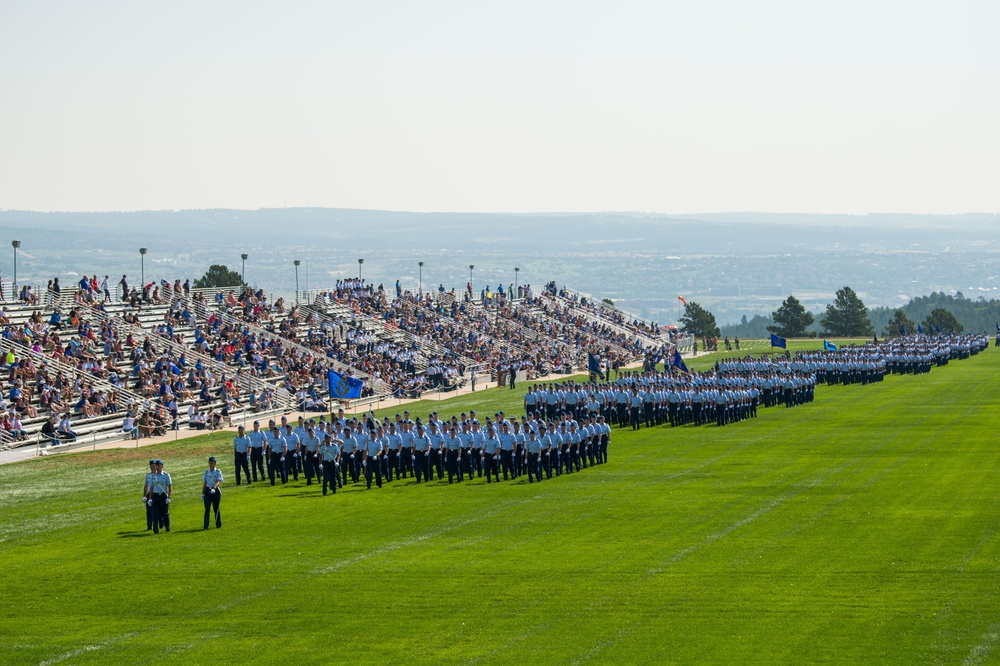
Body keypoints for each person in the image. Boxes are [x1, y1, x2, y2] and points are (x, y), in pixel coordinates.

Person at [148, 459, 171, 534]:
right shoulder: (153, 476)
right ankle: (155, 530)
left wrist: (169, 497)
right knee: (155, 513)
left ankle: (167, 527)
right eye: (156, 466)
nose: (157, 467)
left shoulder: (166, 475)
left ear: (162, 466)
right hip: (156, 495)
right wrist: (150, 498)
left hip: (163, 495)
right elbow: (151, 487)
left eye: (159, 466)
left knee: (165, 513)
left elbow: (169, 486)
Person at [201, 456, 223, 530]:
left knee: (216, 508)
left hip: (215, 491)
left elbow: (218, 481)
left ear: (215, 463)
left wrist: (214, 488)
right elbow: (205, 483)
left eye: (212, 463)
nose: (211, 464)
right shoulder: (206, 472)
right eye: (210, 463)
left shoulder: (218, 472)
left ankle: (218, 524)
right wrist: (202, 493)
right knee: (207, 509)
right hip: (207, 491)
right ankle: (205, 526)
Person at [142, 459, 156, 530]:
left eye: (153, 466)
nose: (152, 468)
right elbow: (146, 486)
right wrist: (144, 496)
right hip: (149, 495)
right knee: (149, 511)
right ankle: (149, 526)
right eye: (150, 466)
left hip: (155, 494)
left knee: (157, 511)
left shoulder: (158, 475)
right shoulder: (148, 475)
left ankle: (159, 525)